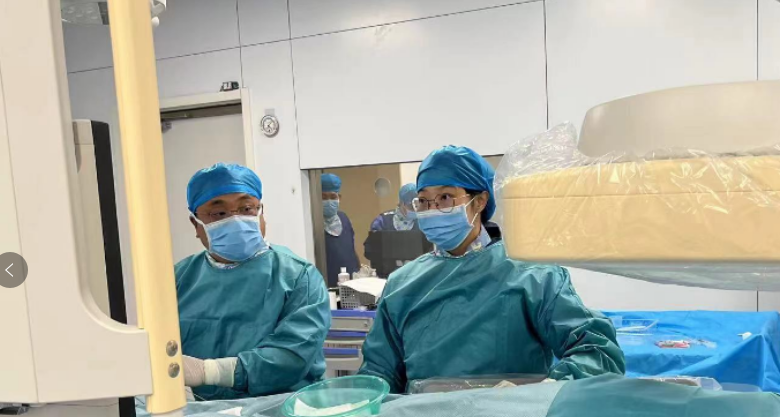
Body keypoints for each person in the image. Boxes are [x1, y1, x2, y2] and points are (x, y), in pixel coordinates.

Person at [359, 146, 625, 393]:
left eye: (445, 197)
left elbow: (596, 351)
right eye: (423, 201)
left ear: (480, 201)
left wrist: (544, 391)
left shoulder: (532, 275)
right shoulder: (402, 285)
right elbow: (379, 373)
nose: (432, 210)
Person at [176, 163, 331, 400]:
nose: (235, 219)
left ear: (261, 213)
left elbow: (293, 357)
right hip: (201, 412)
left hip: (283, 410)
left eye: (246, 208)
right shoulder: (178, 279)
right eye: (219, 213)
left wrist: (208, 372)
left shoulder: (299, 276)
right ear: (195, 224)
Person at [322, 173, 360, 285]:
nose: (329, 201)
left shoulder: (344, 218)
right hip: (327, 283)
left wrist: (359, 270)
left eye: (333, 197)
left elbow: (351, 249)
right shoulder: (313, 222)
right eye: (324, 197)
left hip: (350, 282)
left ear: (339, 198)